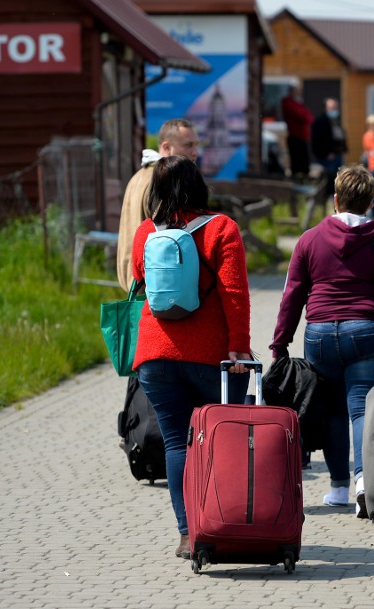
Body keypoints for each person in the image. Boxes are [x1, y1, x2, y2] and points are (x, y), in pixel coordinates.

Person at [269, 164, 374, 519]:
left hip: (319, 333)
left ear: (335, 199)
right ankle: (364, 482)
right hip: (365, 332)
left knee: (332, 411)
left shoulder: (309, 239)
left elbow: (292, 295)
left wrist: (279, 344)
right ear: (370, 202)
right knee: (362, 410)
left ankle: (338, 488)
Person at [131, 156, 252, 560]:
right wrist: (239, 345)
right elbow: (234, 294)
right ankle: (225, 524)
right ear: (199, 185)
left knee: (176, 444)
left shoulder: (145, 232)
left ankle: (188, 534)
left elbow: (140, 279)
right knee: (221, 442)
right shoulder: (221, 228)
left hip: (155, 354)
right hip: (213, 358)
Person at [116, 118, 199, 291]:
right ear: (167, 147)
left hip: (135, 278)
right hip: (156, 284)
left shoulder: (139, 175)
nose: (195, 152)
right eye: (188, 145)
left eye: (195, 145)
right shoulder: (164, 180)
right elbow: (168, 237)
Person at [311, 98, 348, 199]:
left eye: (336, 107)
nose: (334, 110)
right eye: (332, 107)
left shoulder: (336, 121)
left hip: (338, 155)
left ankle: (336, 198)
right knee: (329, 179)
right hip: (326, 158)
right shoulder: (320, 122)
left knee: (338, 179)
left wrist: (344, 150)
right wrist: (326, 153)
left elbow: (341, 137)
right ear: (325, 108)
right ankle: (327, 199)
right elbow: (317, 141)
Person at [281, 85, 314, 178]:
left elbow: (309, 117)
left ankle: (304, 178)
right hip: (295, 136)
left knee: (304, 162)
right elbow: (302, 116)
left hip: (303, 137)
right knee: (297, 162)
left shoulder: (298, 103)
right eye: (296, 91)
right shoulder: (288, 103)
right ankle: (298, 179)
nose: (298, 93)